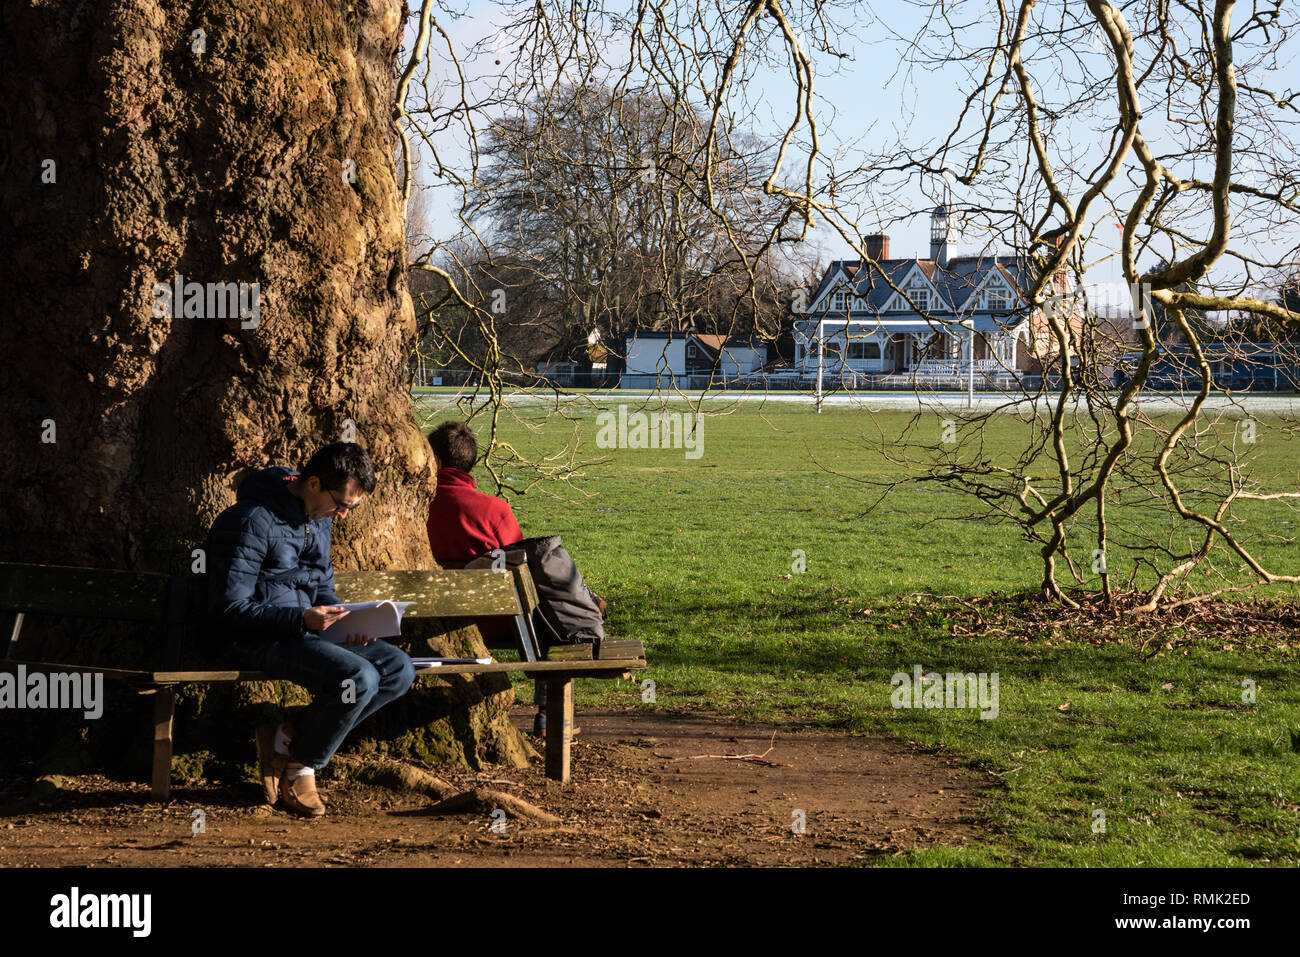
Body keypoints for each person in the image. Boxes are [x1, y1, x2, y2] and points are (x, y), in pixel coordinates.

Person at [203, 442, 416, 818]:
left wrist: (346, 619)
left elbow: (321, 586)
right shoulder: (251, 521)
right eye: (343, 504)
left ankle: (287, 739)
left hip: (305, 631)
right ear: (314, 483)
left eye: (352, 507)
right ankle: (302, 767)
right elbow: (229, 610)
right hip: (255, 637)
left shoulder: (317, 519)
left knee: (399, 670)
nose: (344, 515)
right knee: (359, 676)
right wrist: (300, 620)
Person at [424, 420, 523, 562]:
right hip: (486, 583)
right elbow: (519, 559)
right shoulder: (495, 510)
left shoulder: (411, 506)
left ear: (435, 460)